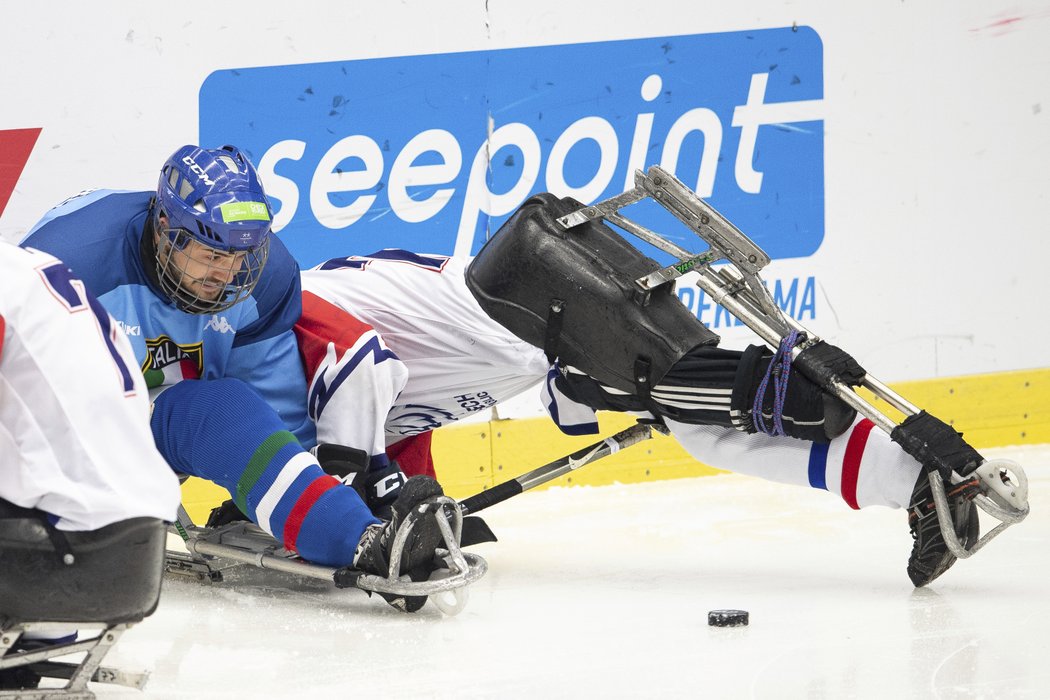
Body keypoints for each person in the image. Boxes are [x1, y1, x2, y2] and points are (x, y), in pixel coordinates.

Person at [290, 192, 983, 589]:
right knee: (702, 426)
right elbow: (399, 420)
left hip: (520, 299)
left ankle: (902, 457)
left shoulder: (286, 321)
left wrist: (357, 499)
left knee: (696, 391)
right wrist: (420, 518)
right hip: (525, 330)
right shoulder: (326, 385)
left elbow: (361, 364)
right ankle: (915, 479)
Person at [20, 146, 450, 612]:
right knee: (204, 408)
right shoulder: (66, 266)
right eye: (210, 253)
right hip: (58, 434)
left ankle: (363, 538)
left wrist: (321, 498)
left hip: (159, 422)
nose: (227, 273)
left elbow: (274, 407)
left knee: (222, 407)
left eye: (241, 253)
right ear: (166, 230)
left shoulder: (262, 274)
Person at [0, 242, 180, 691]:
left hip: (52, 555)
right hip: (135, 549)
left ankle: (33, 631)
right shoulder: (30, 267)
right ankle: (39, 637)